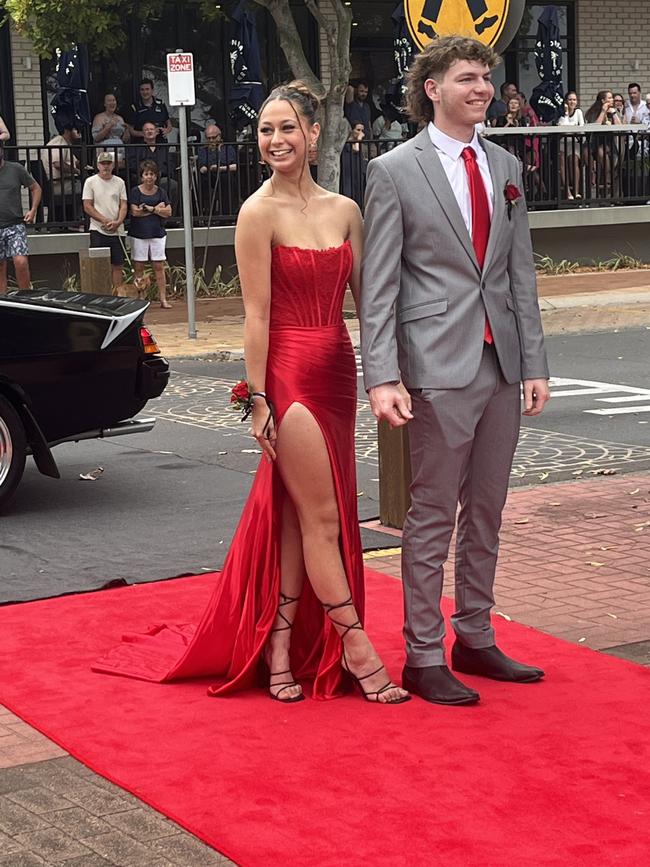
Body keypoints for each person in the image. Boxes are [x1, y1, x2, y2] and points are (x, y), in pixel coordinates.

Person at [94, 80, 410, 706]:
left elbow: (372, 307)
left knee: (300, 515)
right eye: (266, 130)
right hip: (289, 376)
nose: (276, 140)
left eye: (287, 128)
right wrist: (258, 399)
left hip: (337, 372)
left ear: (314, 134)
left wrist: (387, 371)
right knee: (322, 517)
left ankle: (282, 645)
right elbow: (257, 316)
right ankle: (355, 644)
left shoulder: (346, 210)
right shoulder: (255, 213)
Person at [360, 35, 550, 707]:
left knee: (489, 509)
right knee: (433, 512)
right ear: (432, 88)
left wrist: (534, 361)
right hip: (435, 369)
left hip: (501, 364)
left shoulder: (504, 164)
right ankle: (421, 653)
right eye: (468, 77)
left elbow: (517, 271)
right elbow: (377, 285)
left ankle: (475, 634)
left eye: (486, 78)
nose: (482, 88)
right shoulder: (392, 170)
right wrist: (382, 376)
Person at [128, 159, 172, 308]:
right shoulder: (135, 191)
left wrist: (150, 209)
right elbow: (135, 212)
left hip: (157, 233)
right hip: (139, 234)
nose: (149, 177)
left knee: (159, 266)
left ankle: (163, 299)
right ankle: (139, 299)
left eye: (152, 174)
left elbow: (168, 212)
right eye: (146, 174)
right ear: (142, 176)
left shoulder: (161, 192)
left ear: (156, 176)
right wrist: (156, 209)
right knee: (139, 266)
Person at [81, 152, 128, 289]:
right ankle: (101, 294)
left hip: (117, 230)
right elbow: (87, 206)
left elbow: (123, 204)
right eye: (103, 163)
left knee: (118, 264)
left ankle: (118, 296)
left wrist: (118, 221)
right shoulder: (90, 182)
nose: (106, 166)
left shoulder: (120, 182)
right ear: (98, 165)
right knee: (98, 263)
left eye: (108, 163)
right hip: (97, 229)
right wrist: (104, 220)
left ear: (113, 165)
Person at [0, 143, 41, 292]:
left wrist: (33, 210)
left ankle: (26, 298)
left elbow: (35, 188)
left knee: (21, 261)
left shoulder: (15, 169)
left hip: (15, 224)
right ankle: (3, 304)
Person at [129, 121, 178, 212]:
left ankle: (169, 216)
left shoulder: (163, 148)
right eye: (146, 130)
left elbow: (170, 165)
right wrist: (144, 173)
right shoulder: (136, 148)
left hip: (161, 178)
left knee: (173, 185)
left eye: (151, 129)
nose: (149, 131)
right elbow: (132, 164)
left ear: (156, 132)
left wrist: (159, 173)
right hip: (143, 179)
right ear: (143, 133)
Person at [585, 90, 621, 197]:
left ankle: (606, 179)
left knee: (602, 151)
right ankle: (602, 178)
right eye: (609, 98)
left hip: (609, 144)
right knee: (598, 151)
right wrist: (602, 112)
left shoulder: (613, 111)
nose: (612, 100)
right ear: (603, 100)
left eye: (612, 98)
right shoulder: (594, 111)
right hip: (595, 143)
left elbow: (621, 127)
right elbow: (596, 126)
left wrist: (613, 113)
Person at [197, 124, 237, 215]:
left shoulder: (227, 148)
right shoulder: (202, 150)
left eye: (213, 138)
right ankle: (206, 213)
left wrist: (220, 168)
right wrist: (206, 168)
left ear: (219, 136)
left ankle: (226, 213)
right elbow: (202, 167)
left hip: (224, 174)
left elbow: (235, 166)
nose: (211, 140)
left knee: (228, 180)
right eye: (208, 138)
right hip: (209, 176)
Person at [557, 91, 585, 200]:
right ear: (565, 101)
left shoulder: (578, 112)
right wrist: (566, 114)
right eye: (570, 99)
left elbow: (581, 129)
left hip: (574, 142)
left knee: (574, 160)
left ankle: (577, 191)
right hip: (563, 142)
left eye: (574, 100)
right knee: (562, 161)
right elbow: (562, 128)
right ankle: (568, 192)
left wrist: (569, 129)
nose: (572, 102)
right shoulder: (561, 113)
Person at [91, 93, 130, 163]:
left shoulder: (120, 118)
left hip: (119, 152)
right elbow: (96, 137)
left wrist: (127, 130)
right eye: (109, 101)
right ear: (104, 104)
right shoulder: (99, 118)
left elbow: (125, 140)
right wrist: (109, 126)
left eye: (114, 100)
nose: (112, 103)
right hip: (105, 153)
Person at [340, 122, 368, 204]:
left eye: (362, 130)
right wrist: (359, 139)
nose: (360, 132)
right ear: (352, 130)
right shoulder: (347, 142)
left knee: (358, 190)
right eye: (358, 130)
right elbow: (356, 149)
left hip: (357, 168)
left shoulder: (359, 143)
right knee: (348, 190)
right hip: (348, 168)